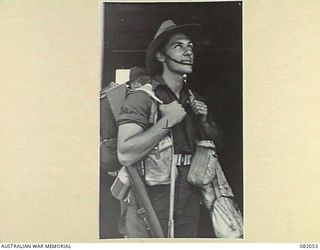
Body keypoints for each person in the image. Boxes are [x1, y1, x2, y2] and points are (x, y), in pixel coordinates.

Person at [117, 20, 224, 238]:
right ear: (160, 56)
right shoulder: (142, 99)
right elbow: (125, 153)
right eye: (178, 46)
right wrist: (167, 121)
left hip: (190, 193)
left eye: (190, 46)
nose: (188, 52)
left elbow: (221, 147)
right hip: (152, 193)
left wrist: (204, 122)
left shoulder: (194, 99)